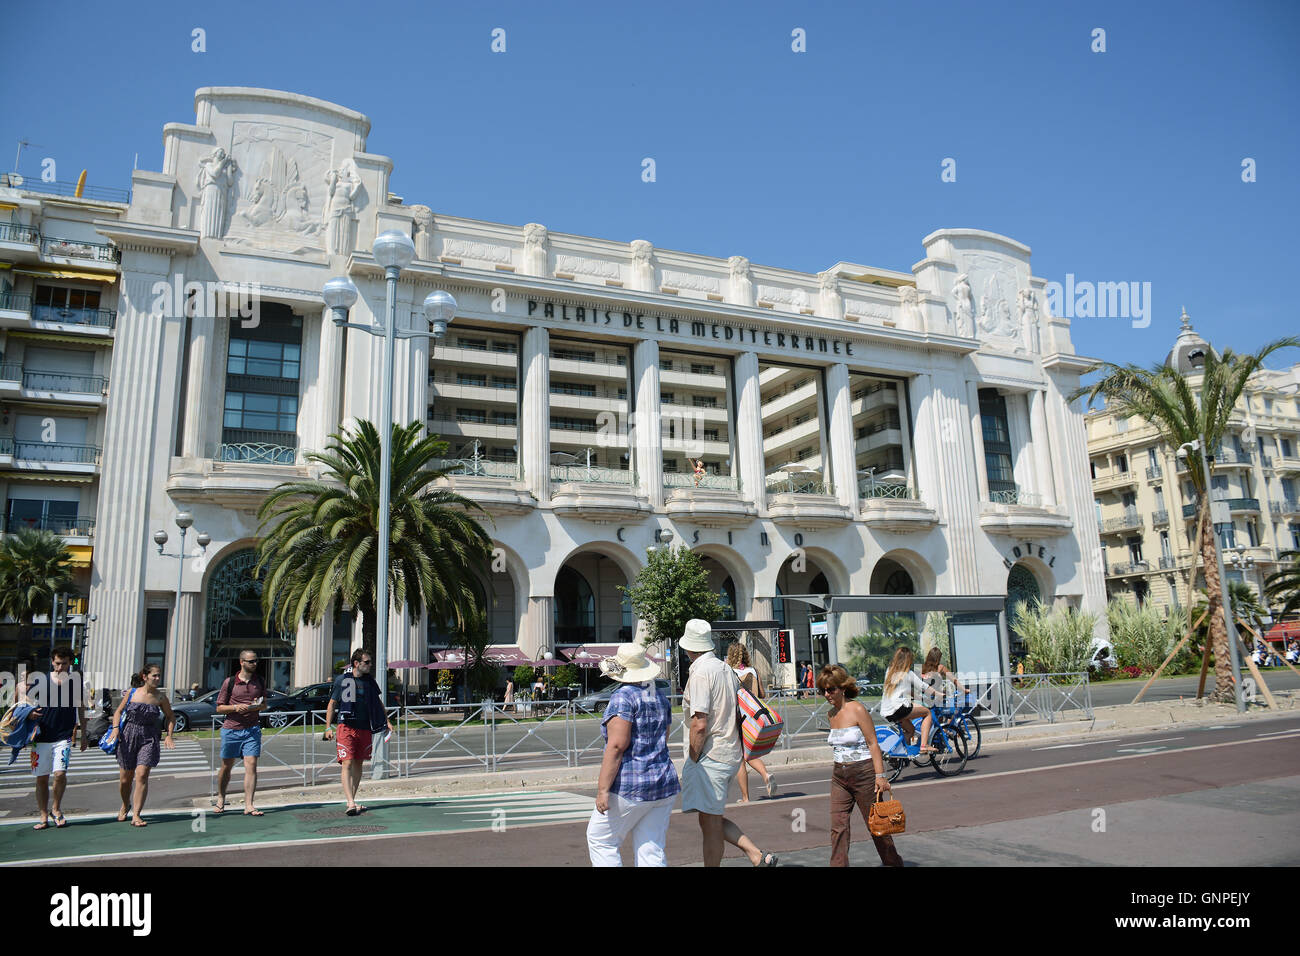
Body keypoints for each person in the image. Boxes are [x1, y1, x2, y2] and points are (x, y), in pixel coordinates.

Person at [678, 619, 777, 867]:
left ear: (690, 648)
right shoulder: (725, 669)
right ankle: (756, 855)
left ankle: (754, 856)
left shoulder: (701, 673)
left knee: (710, 825)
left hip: (710, 756)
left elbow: (700, 723)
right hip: (729, 752)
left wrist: (692, 757)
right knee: (710, 819)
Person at [586, 643, 681, 866]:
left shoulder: (623, 697)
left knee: (601, 840)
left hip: (630, 785)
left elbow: (617, 746)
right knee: (651, 848)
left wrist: (602, 790)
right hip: (662, 781)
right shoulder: (658, 696)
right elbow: (664, 737)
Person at [818, 665, 903, 867]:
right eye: (823, 690)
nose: (827, 694)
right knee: (838, 827)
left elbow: (873, 742)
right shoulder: (831, 715)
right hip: (839, 775)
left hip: (864, 773)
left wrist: (880, 776)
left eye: (831, 690)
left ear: (843, 688)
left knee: (877, 826)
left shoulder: (857, 709)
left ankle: (893, 863)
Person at [324, 649, 394, 815]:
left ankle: (352, 800)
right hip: (346, 725)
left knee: (358, 763)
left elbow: (378, 703)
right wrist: (327, 727)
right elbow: (332, 703)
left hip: (364, 727)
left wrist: (387, 721)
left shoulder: (370, 682)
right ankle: (350, 802)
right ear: (357, 663)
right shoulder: (342, 680)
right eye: (367, 662)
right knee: (347, 762)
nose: (370, 665)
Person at [105, 664, 176, 827]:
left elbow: (171, 717)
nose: (157, 679)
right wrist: (115, 729)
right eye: (154, 676)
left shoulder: (160, 697)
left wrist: (169, 736)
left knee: (142, 774)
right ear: (145, 677)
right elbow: (118, 712)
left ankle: (136, 815)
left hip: (149, 736)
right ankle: (125, 804)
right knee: (125, 779)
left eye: (159, 675)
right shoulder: (132, 692)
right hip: (128, 735)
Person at [24, 647, 87, 830]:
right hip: (41, 736)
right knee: (42, 778)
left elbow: (81, 708)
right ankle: (43, 815)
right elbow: (23, 702)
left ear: (70, 663)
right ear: (52, 662)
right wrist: (29, 714)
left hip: (64, 736)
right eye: (57, 663)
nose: (60, 667)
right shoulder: (40, 680)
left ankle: (56, 809)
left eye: (64, 663)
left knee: (60, 774)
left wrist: (84, 734)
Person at [215, 650, 268, 816]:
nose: (254, 664)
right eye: (251, 661)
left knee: (251, 765)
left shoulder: (259, 681)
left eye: (256, 661)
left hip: (252, 729)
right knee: (226, 766)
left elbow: (264, 704)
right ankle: (221, 798)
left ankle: (249, 804)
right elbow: (219, 707)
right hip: (231, 729)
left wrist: (258, 706)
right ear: (241, 662)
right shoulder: (229, 682)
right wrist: (236, 707)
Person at [726, 642, 776, 801]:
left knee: (741, 758)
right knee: (749, 753)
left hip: (738, 717)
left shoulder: (729, 672)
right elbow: (762, 694)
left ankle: (745, 798)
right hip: (754, 717)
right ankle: (766, 774)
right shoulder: (754, 671)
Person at [881, 647, 935, 754]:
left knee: (910, 730)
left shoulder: (889, 671)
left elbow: (902, 690)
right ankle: (924, 746)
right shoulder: (908, 673)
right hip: (899, 708)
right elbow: (924, 687)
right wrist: (939, 694)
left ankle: (897, 753)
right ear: (908, 659)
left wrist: (916, 696)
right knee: (927, 713)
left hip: (886, 710)